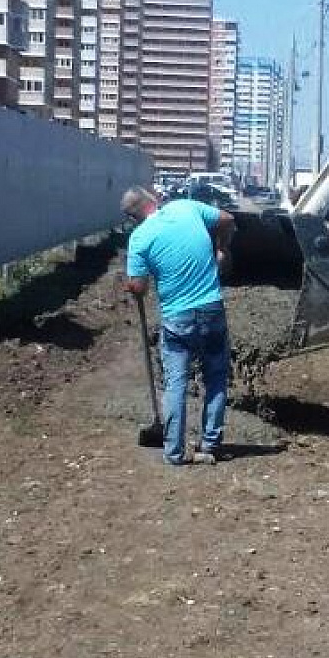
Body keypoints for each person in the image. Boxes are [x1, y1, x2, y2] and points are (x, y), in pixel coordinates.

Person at [121, 187, 237, 466]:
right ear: (155, 200)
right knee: (216, 377)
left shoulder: (139, 238)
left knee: (176, 383)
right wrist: (221, 248)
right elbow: (228, 219)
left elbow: (139, 287)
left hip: (177, 318)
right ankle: (210, 444)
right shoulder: (187, 207)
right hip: (211, 309)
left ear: (132, 218)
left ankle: (174, 451)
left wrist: (134, 286)